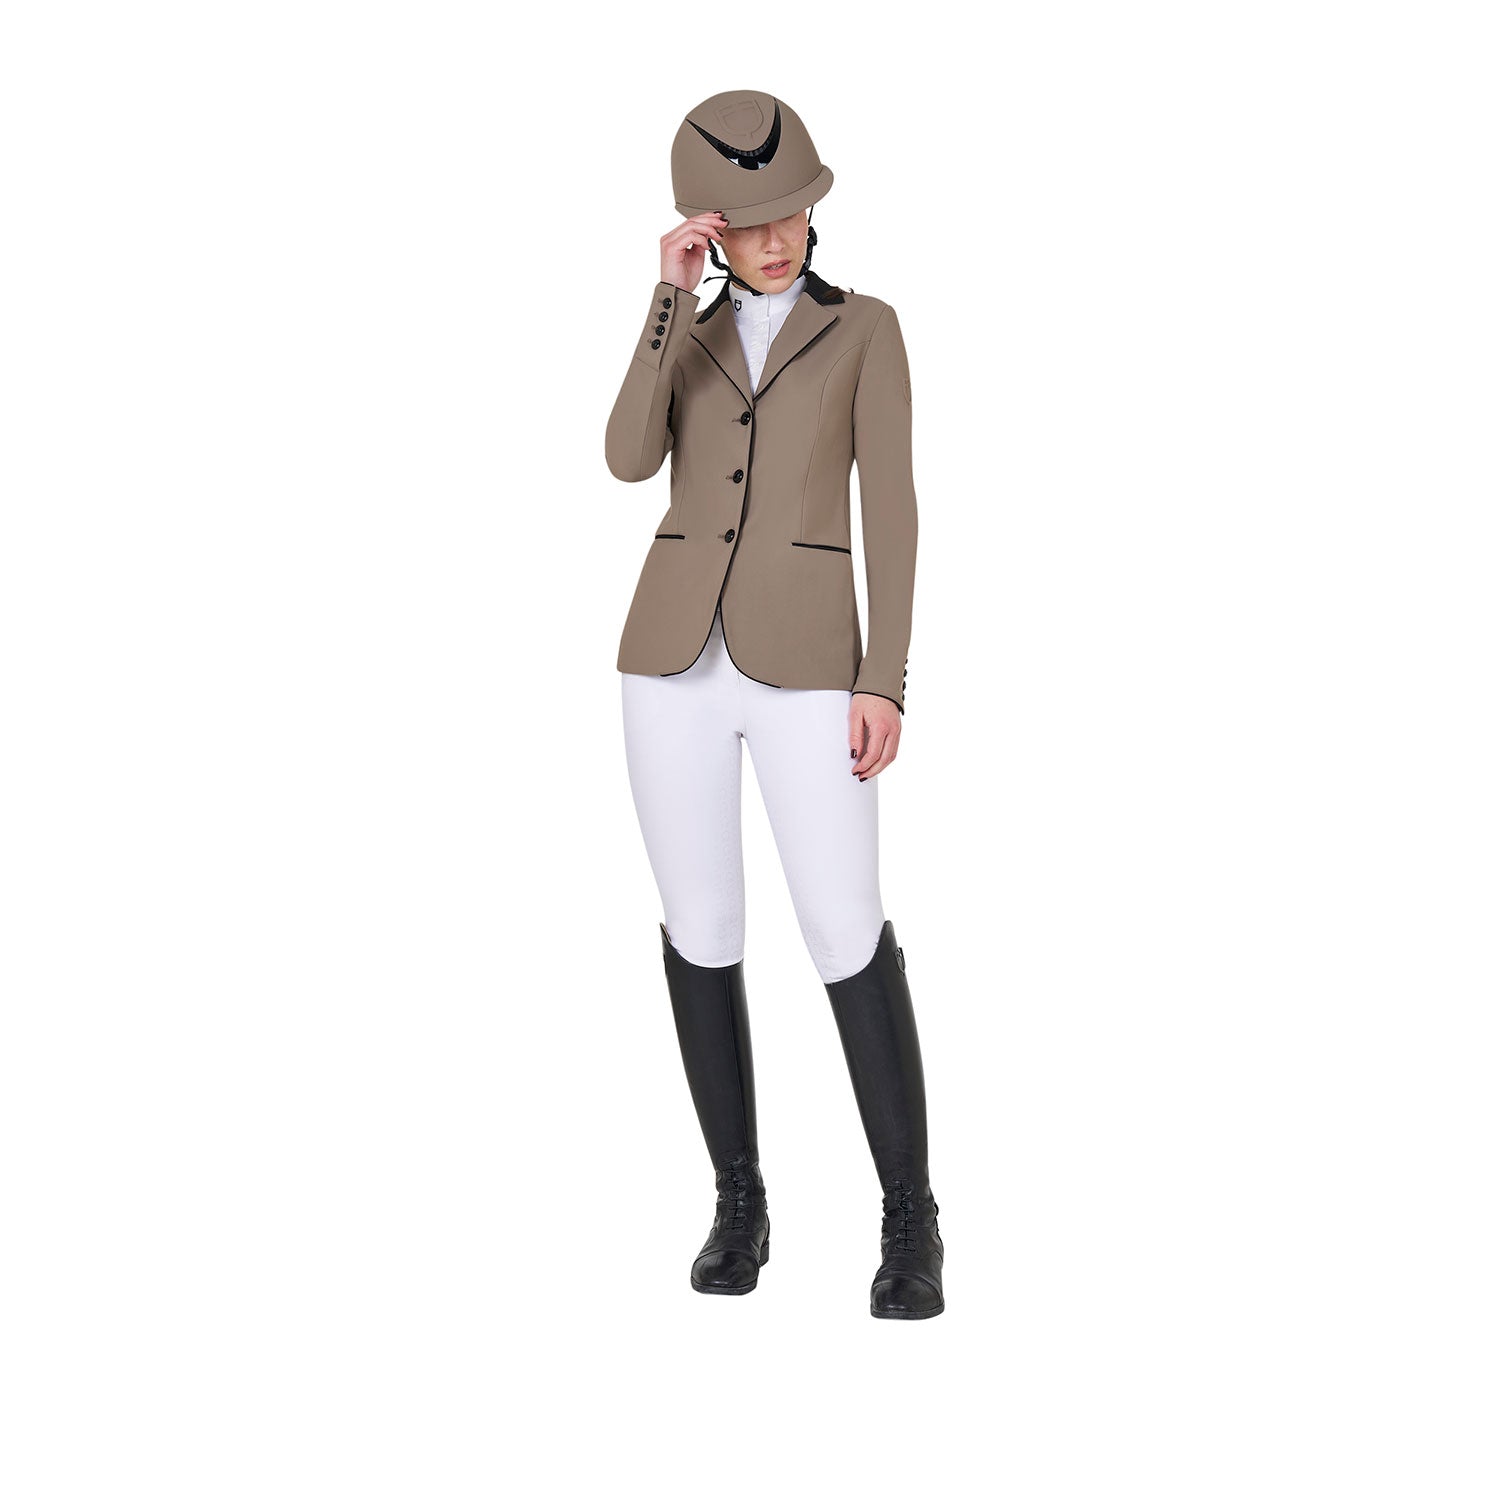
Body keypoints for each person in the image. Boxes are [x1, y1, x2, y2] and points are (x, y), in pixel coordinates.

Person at [605, 91, 944, 1320]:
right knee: (700, 927)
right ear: (706, 228)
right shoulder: (685, 335)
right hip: (670, 664)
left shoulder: (867, 330)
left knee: (845, 925)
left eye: (790, 212)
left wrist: (883, 675)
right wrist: (664, 301)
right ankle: (738, 1204)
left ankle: (909, 1219)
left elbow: (891, 508)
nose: (775, 237)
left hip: (809, 668)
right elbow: (628, 457)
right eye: (746, 222)